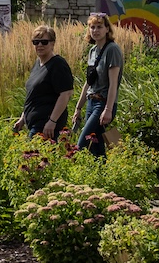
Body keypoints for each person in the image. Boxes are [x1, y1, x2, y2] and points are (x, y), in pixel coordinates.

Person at [72, 12, 124, 158]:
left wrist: (108, 109)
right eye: (92, 27)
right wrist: (78, 108)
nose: (95, 30)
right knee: (96, 145)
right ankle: (103, 176)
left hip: (103, 103)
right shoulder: (92, 51)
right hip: (91, 101)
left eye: (99, 27)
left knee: (82, 143)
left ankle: (71, 173)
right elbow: (89, 82)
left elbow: (114, 83)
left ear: (107, 29)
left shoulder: (112, 50)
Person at [13, 24, 75, 140]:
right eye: (36, 42)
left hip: (46, 125)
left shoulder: (58, 64)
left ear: (52, 43)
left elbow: (66, 94)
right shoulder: (37, 64)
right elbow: (33, 95)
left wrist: (52, 121)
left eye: (44, 42)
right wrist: (23, 118)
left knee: (33, 156)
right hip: (33, 123)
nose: (39, 45)